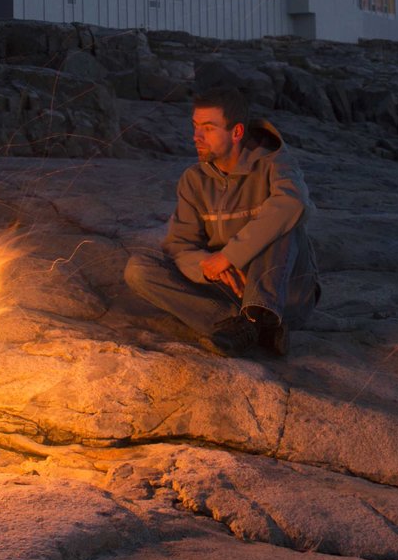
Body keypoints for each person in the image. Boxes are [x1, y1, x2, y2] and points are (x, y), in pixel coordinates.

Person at [123, 83, 318, 356]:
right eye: (195, 126)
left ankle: (260, 315)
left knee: (283, 223)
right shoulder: (194, 180)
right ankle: (246, 327)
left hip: (283, 292)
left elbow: (292, 203)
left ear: (236, 132)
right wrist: (207, 266)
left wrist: (229, 256)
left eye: (208, 128)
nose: (196, 136)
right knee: (138, 270)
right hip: (230, 292)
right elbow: (179, 245)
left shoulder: (275, 163)